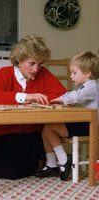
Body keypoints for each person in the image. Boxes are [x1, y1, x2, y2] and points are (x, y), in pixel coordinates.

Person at [0, 35, 67, 179]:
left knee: (17, 172)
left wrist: (40, 96)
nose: (36, 69)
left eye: (40, 64)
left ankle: (42, 159)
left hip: (30, 135)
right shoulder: (5, 73)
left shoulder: (44, 74)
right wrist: (24, 97)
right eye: (32, 63)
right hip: (4, 134)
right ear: (19, 59)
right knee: (0, 170)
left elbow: (63, 95)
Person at [35, 51, 99, 181]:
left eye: (74, 73)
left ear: (88, 73)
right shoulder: (86, 87)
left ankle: (64, 160)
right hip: (85, 124)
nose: (71, 76)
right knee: (45, 129)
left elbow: (76, 96)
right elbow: (78, 98)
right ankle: (52, 164)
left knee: (48, 127)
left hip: (90, 126)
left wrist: (60, 99)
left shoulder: (92, 87)